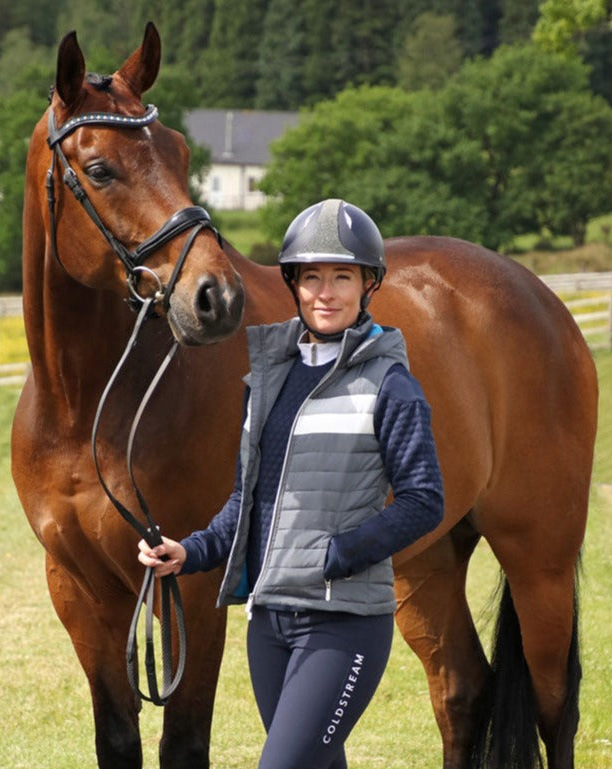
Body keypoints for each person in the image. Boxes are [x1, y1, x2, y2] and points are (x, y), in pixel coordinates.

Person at [138, 198, 444, 769]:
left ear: (368, 285)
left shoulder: (391, 384)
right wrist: (191, 550)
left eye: (342, 277)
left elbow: (425, 500)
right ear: (294, 286)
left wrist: (342, 552)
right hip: (270, 621)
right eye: (311, 278)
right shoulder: (267, 380)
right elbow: (247, 499)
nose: (325, 292)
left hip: (344, 622)